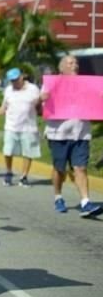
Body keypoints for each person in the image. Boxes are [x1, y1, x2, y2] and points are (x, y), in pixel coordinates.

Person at [40, 55, 102, 217]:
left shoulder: (86, 84)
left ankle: (85, 202)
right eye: (70, 63)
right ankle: (58, 196)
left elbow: (94, 105)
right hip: (58, 134)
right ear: (62, 68)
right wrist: (42, 99)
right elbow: (41, 110)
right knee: (59, 170)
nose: (74, 65)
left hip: (81, 132)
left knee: (80, 167)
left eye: (76, 63)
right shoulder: (52, 84)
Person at [0, 67, 41, 187]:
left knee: (28, 153)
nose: (14, 82)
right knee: (7, 151)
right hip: (11, 126)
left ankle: (24, 176)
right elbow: (4, 107)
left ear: (21, 77)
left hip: (28, 127)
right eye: (12, 80)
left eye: (16, 79)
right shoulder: (8, 90)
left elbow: (39, 105)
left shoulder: (33, 89)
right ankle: (9, 172)